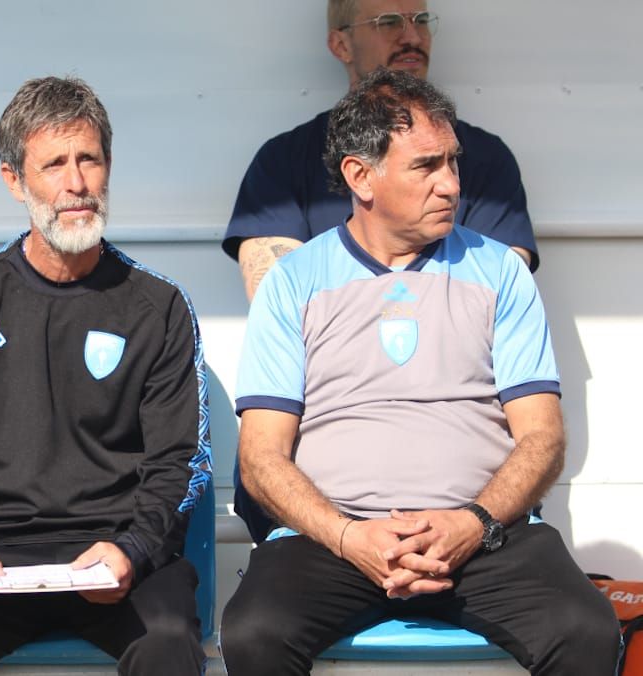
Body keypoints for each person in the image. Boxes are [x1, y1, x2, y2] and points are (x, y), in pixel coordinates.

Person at [218, 68, 620, 675]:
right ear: (360, 177)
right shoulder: (294, 284)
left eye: (453, 164)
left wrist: (472, 522)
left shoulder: (500, 275)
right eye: (426, 167)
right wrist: (352, 537)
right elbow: (261, 457)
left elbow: (542, 437)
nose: (451, 185)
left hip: (486, 536)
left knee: (585, 629)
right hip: (335, 539)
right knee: (253, 633)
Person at [0, 76, 211, 676]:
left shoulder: (159, 306)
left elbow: (181, 464)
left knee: (167, 642)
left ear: (109, 166)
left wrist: (133, 550)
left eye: (88, 159)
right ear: (15, 180)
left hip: (117, 558)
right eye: (54, 164)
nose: (76, 183)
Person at [223, 0, 538, 302]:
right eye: (388, 22)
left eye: (422, 21)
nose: (413, 37)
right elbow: (280, 308)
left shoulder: (488, 158)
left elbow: (499, 302)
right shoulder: (282, 161)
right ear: (341, 45)